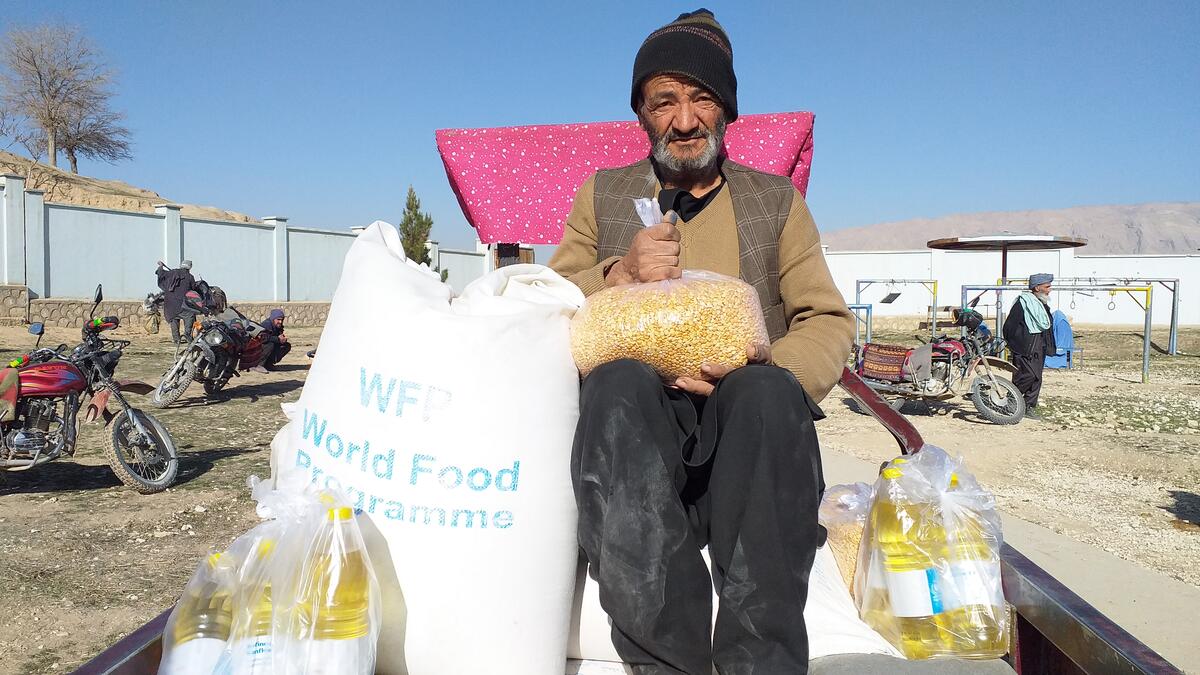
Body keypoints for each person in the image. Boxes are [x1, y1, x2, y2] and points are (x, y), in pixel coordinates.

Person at [548, 10, 854, 674]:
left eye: (701, 97)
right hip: (636, 455)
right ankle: (667, 661)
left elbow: (827, 324)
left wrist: (763, 360)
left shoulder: (775, 204)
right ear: (642, 115)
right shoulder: (603, 197)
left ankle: (759, 660)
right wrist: (619, 273)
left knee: (768, 391)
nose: (684, 120)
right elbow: (544, 301)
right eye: (664, 100)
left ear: (727, 110)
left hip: (746, 450)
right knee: (618, 382)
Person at [1003, 273, 1057, 420]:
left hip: (1039, 347)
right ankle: (1011, 402)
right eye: (1047, 287)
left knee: (1037, 378)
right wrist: (1016, 344)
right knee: (1026, 376)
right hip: (1025, 348)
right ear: (1037, 287)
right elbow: (1009, 327)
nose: (1049, 290)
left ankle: (1028, 407)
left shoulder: (1041, 304)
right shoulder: (1023, 303)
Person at [155, 260, 198, 350]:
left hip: (170, 303)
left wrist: (160, 266)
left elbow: (160, 273)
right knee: (189, 316)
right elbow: (193, 289)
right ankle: (187, 335)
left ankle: (176, 339)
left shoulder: (171, 273)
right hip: (184, 303)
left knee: (174, 319)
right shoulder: (190, 277)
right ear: (189, 267)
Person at [253, 308, 291, 373]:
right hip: (256, 349)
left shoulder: (278, 326)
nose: (280, 322)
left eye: (281, 320)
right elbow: (262, 338)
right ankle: (257, 365)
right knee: (270, 344)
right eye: (278, 319)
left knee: (286, 346)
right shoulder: (266, 325)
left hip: (269, 345)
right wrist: (278, 339)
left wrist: (282, 339)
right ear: (273, 319)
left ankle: (268, 364)